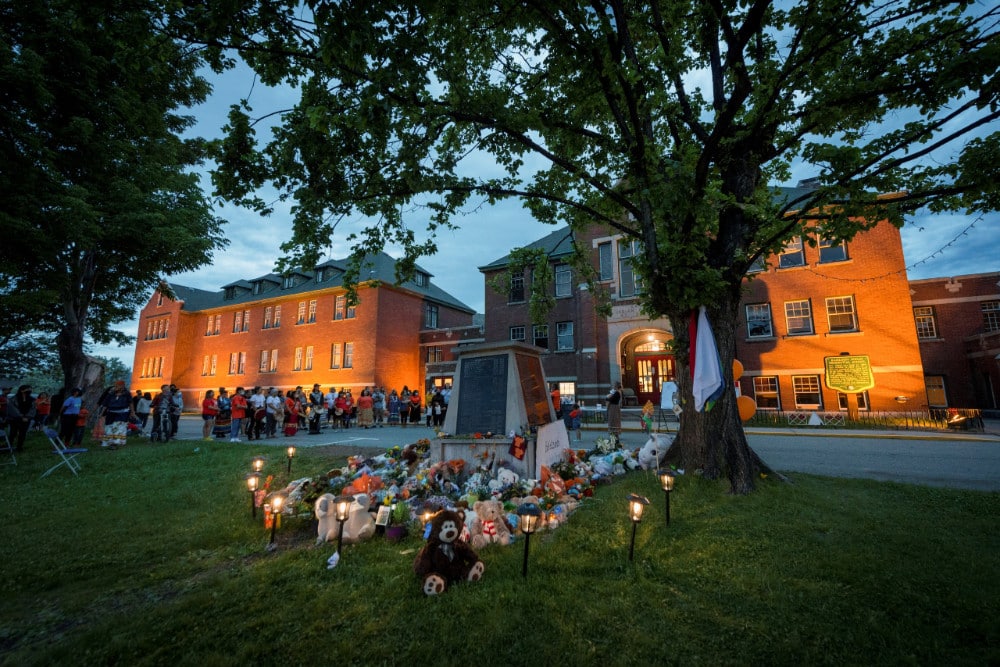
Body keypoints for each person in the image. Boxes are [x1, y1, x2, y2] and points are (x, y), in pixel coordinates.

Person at [100, 380, 135, 449]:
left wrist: (132, 412)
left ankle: (114, 444)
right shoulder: (111, 394)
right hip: (110, 413)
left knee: (117, 427)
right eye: (115, 385)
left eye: (117, 385)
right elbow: (105, 404)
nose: (116, 387)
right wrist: (101, 413)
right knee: (109, 427)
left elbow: (131, 403)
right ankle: (109, 442)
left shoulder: (127, 394)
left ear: (122, 386)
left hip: (122, 413)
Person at [8, 385, 35, 452]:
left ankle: (19, 447)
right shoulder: (13, 399)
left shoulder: (32, 399)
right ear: (21, 390)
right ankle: (9, 446)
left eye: (30, 389)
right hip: (15, 419)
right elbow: (12, 409)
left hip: (26, 419)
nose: (29, 390)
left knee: (23, 433)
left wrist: (28, 417)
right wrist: (21, 417)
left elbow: (33, 409)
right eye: (28, 389)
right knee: (13, 433)